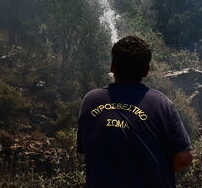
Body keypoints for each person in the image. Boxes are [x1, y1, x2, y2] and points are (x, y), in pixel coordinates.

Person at [77, 36, 193, 187]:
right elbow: (185, 158)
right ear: (146, 71)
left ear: (112, 66)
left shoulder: (91, 101)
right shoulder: (161, 104)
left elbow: (85, 148)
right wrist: (152, 171)